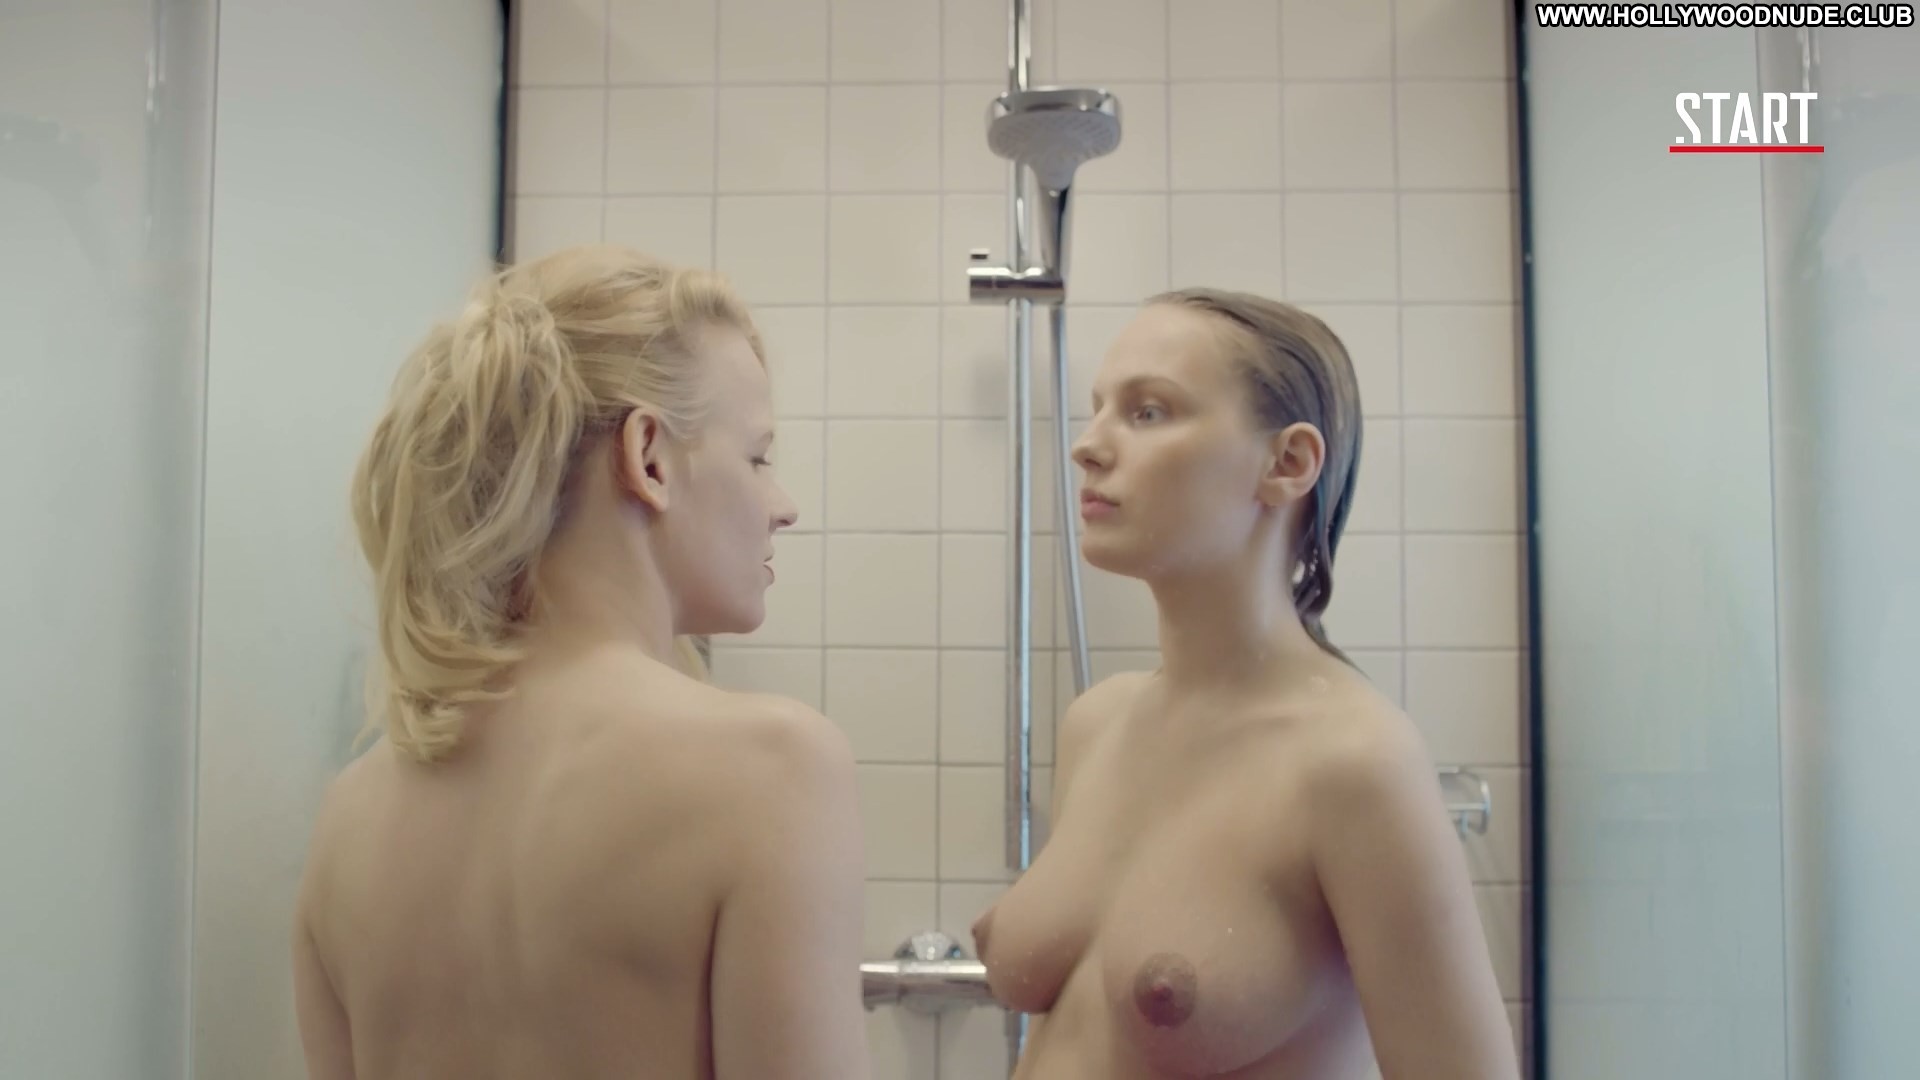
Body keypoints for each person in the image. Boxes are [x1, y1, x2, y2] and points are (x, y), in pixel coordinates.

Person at [291, 245, 870, 1080]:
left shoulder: (351, 816)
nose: (783, 506)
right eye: (757, 457)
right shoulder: (771, 770)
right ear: (649, 457)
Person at [971, 288, 1518, 1079]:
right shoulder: (1098, 723)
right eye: (1098, 410)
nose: (1087, 445)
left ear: (1287, 463)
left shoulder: (1353, 763)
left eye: (1149, 411)